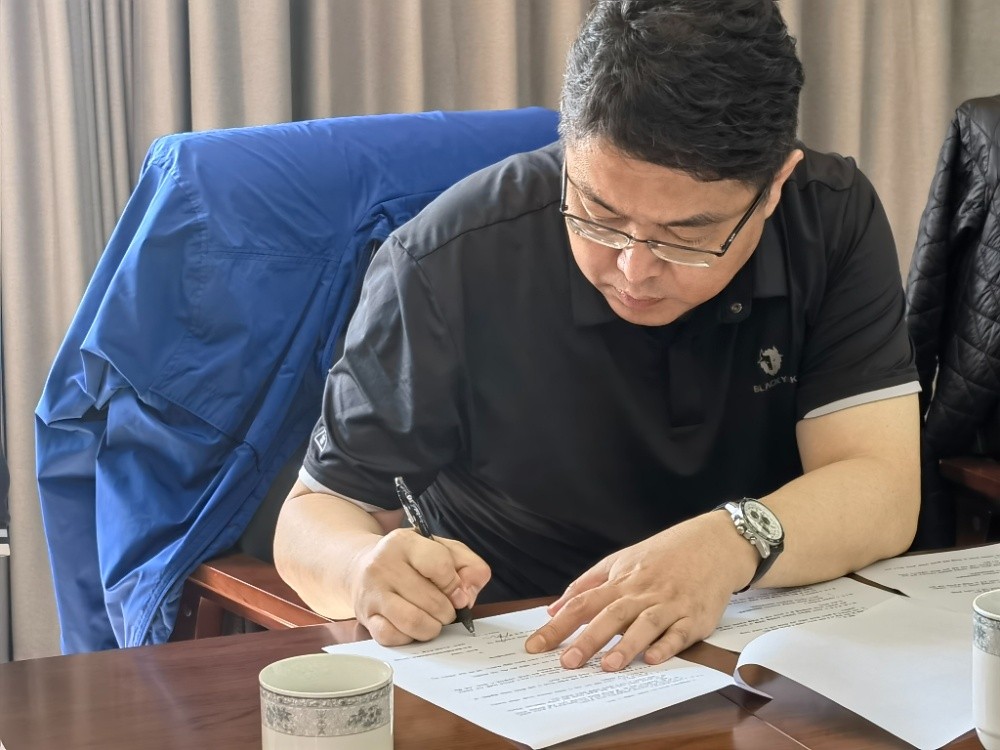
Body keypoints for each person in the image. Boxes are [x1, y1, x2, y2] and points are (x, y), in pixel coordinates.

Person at [273, 0, 920, 673]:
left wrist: (730, 544)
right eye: (599, 214)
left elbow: (883, 486)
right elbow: (314, 515)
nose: (634, 269)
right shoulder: (448, 259)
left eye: (688, 235)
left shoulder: (830, 218)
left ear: (776, 185)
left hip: (755, 634)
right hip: (525, 647)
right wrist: (361, 568)